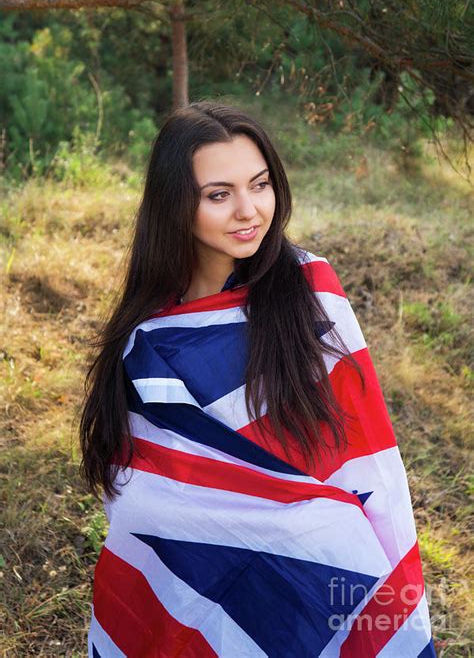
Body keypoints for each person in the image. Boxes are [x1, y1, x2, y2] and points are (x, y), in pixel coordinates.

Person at [80, 100, 436, 657]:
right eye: (219, 195)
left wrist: (384, 585)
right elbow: (144, 488)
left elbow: (366, 455)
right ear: (176, 205)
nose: (249, 210)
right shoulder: (148, 335)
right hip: (195, 572)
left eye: (260, 184)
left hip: (326, 568)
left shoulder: (309, 292)